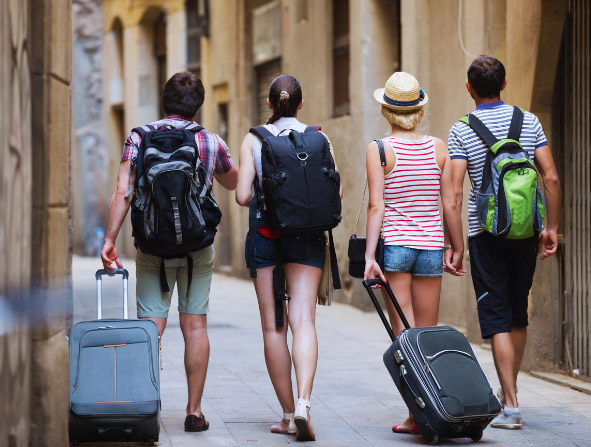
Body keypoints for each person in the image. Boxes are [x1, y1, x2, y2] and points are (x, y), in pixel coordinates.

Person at [100, 71, 238, 433]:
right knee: (195, 327)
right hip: (198, 249)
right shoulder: (209, 140)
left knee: (150, 328)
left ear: (164, 101)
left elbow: (122, 191)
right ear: (198, 105)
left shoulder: (139, 137)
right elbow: (235, 181)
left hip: (152, 247)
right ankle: (193, 412)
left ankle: (147, 408)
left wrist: (109, 239)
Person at [448, 56, 561, 429]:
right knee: (516, 312)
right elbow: (552, 178)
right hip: (527, 232)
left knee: (496, 315)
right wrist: (551, 228)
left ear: (469, 88)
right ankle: (509, 390)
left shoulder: (462, 129)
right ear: (505, 82)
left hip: (487, 235)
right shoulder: (528, 121)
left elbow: (453, 195)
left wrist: (457, 245)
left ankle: (510, 405)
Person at [235, 74, 342, 442]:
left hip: (266, 236)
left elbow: (242, 197)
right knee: (304, 322)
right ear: (300, 103)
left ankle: (285, 415)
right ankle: (304, 404)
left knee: (273, 327)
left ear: (269, 104)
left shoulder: (253, 138)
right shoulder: (319, 137)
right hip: (309, 237)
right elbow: (335, 187)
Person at [363, 72, 465, 434]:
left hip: (397, 249)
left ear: (387, 111)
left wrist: (369, 258)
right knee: (426, 335)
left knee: (402, 337)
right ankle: (432, 410)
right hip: (431, 249)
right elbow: (450, 202)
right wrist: (458, 247)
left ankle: (416, 415)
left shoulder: (378, 150)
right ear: (418, 110)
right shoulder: (438, 147)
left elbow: (377, 207)